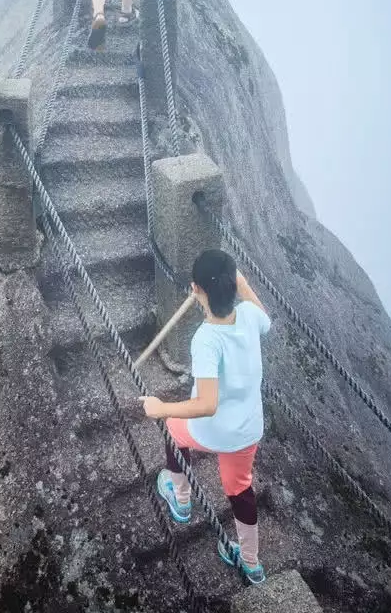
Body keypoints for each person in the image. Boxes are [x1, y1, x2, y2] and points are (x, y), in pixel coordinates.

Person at [140, 250, 271, 585]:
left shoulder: (207, 339)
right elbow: (263, 316)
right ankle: (251, 561)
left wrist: (160, 408)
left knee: (173, 427)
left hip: (218, 428)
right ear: (233, 283)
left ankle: (180, 500)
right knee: (240, 489)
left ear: (196, 288)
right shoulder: (249, 316)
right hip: (249, 428)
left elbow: (206, 404)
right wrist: (230, 276)